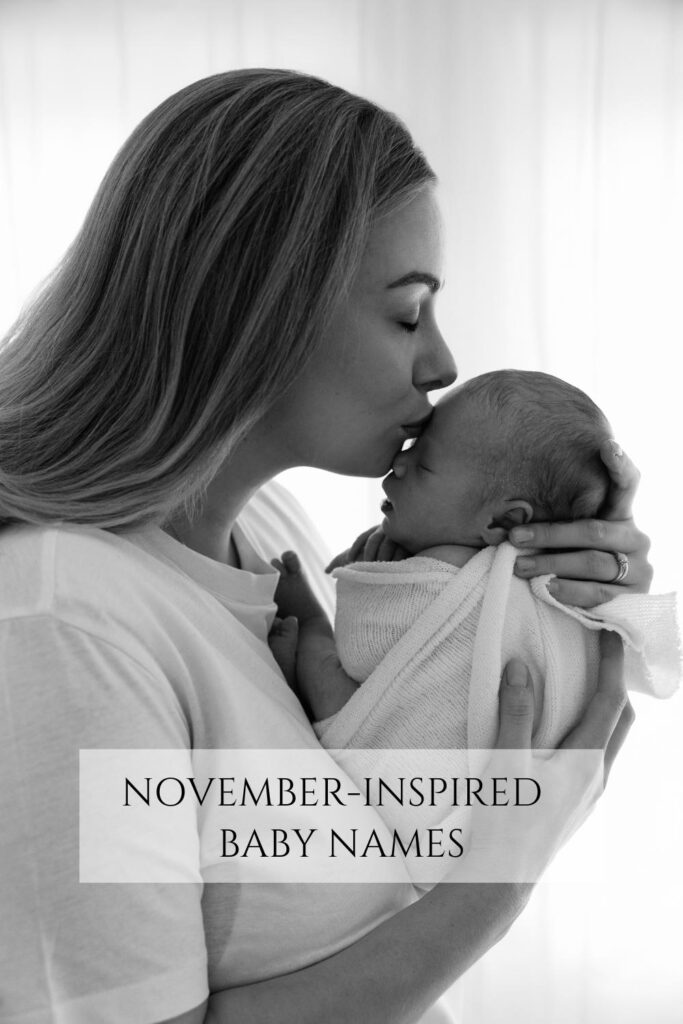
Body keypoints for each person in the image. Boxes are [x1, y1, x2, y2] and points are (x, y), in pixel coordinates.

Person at [0, 69, 649, 1024]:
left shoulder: (279, 548)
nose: (442, 364)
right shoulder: (65, 618)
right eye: (406, 311)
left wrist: (543, 605)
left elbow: (385, 829)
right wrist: (495, 885)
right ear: (257, 305)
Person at [269, 371, 678, 885]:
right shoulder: (551, 583)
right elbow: (612, 654)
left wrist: (367, 577)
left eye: (423, 464)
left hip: (409, 791)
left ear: (502, 521)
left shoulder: (446, 572)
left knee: (327, 670)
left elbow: (364, 648)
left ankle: (306, 623)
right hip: (477, 829)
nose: (398, 463)